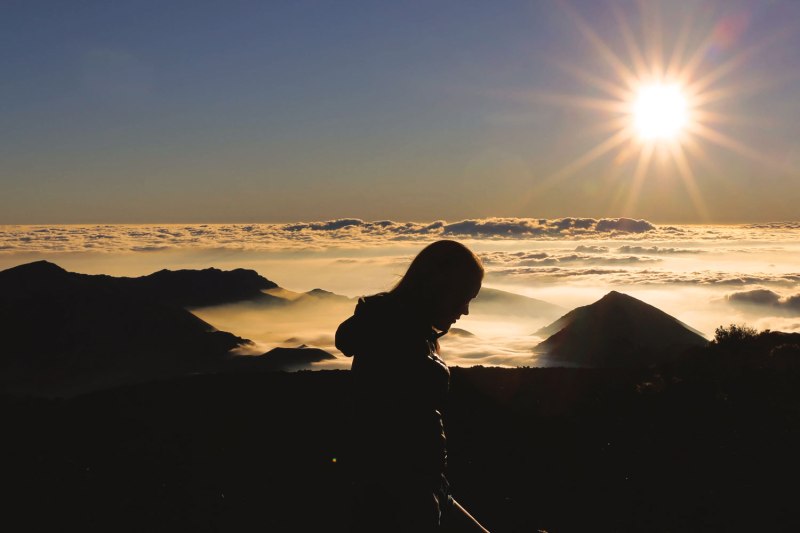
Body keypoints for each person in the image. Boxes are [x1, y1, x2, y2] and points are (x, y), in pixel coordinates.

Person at [335, 240, 491, 532]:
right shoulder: (397, 338)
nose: (465, 311)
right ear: (440, 287)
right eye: (463, 297)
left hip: (426, 488)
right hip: (406, 497)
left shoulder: (407, 331)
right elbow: (389, 433)